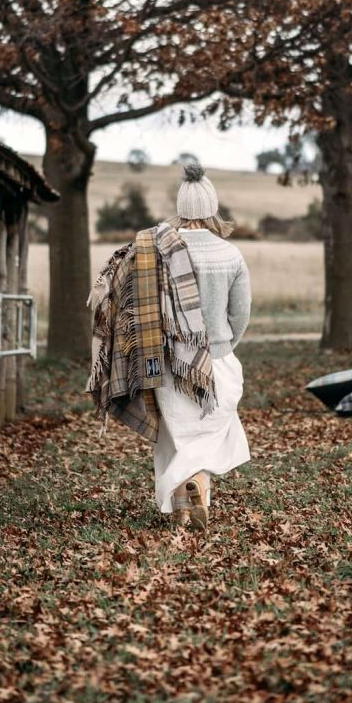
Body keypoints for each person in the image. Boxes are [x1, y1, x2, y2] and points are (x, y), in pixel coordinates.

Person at [153, 162, 252, 529]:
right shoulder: (230, 255)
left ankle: (181, 506)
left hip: (172, 361)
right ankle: (198, 483)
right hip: (219, 359)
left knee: (176, 434)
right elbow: (240, 314)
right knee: (211, 431)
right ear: (212, 208)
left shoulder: (162, 252)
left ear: (181, 208)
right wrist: (224, 346)